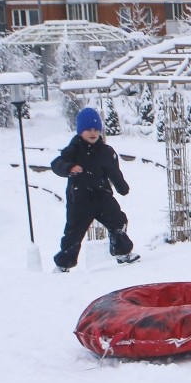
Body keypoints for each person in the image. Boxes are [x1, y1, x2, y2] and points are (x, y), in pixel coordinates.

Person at [51, 107, 139, 271]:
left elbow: (114, 172)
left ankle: (122, 252)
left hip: (102, 195)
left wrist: (122, 187)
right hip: (80, 199)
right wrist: (69, 167)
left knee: (118, 221)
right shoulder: (73, 150)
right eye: (88, 130)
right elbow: (56, 164)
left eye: (96, 129)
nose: (92, 133)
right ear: (80, 131)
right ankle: (64, 264)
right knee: (74, 232)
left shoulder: (106, 151)